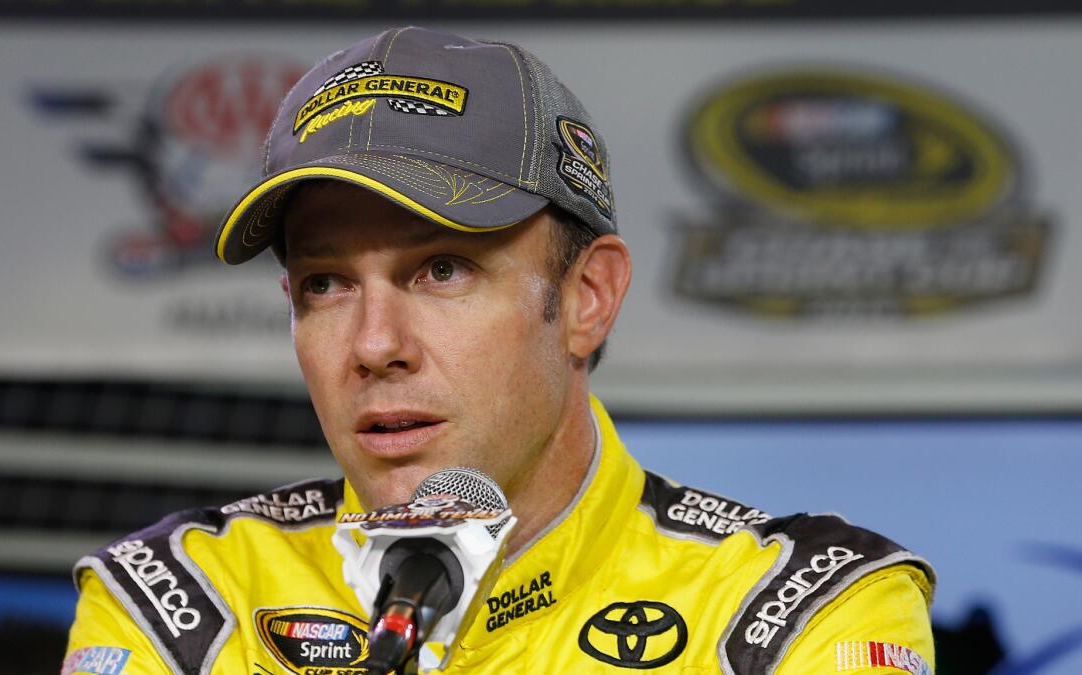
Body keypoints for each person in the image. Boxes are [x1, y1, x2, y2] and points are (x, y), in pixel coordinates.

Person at [63, 26, 935, 675]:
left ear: (587, 299)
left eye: (441, 269)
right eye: (326, 283)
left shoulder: (798, 613)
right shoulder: (176, 603)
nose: (373, 346)